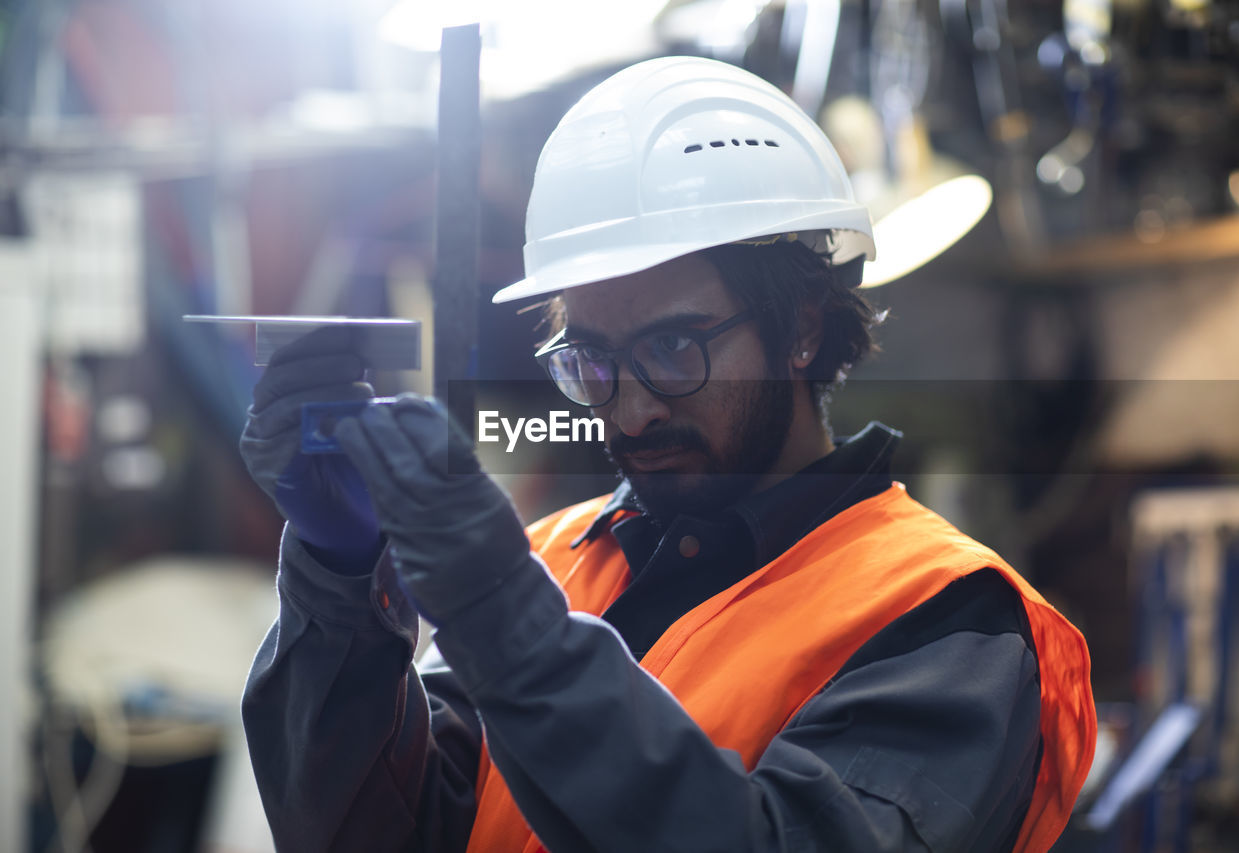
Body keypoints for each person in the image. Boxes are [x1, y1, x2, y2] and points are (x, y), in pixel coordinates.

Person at [239, 57, 1095, 852]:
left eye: (676, 346)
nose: (634, 406)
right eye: (592, 362)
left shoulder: (951, 622)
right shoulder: (555, 563)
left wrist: (505, 622)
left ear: (799, 325)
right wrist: (338, 583)